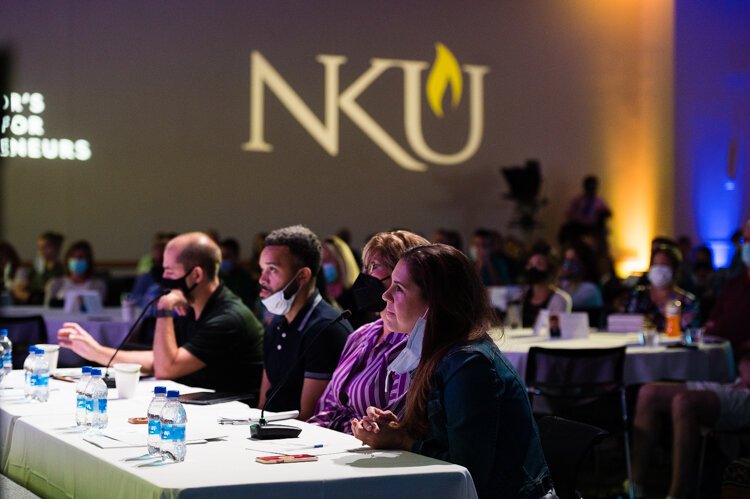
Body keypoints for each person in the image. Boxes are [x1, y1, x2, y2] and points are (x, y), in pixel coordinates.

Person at [350, 244, 552, 499]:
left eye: (399, 288)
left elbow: (466, 472)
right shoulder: (439, 351)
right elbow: (443, 441)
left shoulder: (469, 365)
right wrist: (400, 429)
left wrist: (401, 441)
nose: (385, 295)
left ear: (435, 302)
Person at [58, 232, 264, 394]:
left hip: (231, 416)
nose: (164, 278)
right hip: (200, 405)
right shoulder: (194, 307)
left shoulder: (228, 318)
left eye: (170, 271)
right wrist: (95, 351)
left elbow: (166, 369)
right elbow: (159, 359)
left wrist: (164, 308)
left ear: (197, 275)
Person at [631, 223, 750, 498]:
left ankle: (677, 493)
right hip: (730, 375)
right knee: (648, 392)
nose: (744, 246)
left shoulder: (691, 298)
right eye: (744, 240)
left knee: (684, 401)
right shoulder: (734, 287)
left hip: (744, 383)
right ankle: (635, 487)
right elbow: (714, 325)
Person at [307, 230, 429, 433]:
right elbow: (327, 406)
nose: (365, 276)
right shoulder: (361, 335)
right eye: (366, 267)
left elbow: (392, 425)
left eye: (375, 267)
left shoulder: (413, 344)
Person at [257, 225, 352, 420]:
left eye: (272, 269)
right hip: (268, 432)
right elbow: (263, 403)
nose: (262, 279)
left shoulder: (326, 330)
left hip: (301, 439)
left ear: (302, 276)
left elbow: (308, 417)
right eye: (262, 269)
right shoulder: (275, 325)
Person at [624, 244, 698, 331]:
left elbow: (692, 331)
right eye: (655, 264)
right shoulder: (638, 295)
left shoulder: (688, 302)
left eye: (664, 264)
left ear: (675, 270)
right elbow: (625, 324)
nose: (659, 269)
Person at [45, 240, 107, 307]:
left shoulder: (98, 285)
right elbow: (47, 307)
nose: (76, 260)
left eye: (80, 257)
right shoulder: (54, 284)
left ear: (88, 260)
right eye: (73, 257)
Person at [521, 248, 572, 327]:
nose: (533, 268)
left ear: (550, 268)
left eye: (539, 264)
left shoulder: (560, 299)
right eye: (530, 264)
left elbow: (556, 329)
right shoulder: (520, 296)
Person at [558, 240, 603, 310]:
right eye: (566, 260)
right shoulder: (564, 284)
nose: (567, 266)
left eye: (572, 261)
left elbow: (563, 306)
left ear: (583, 263)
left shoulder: (590, 289)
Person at [219, 237, 259, 309]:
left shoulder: (245, 279)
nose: (222, 260)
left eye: (226, 256)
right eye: (220, 256)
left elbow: (249, 303)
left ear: (236, 256)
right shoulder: (214, 277)